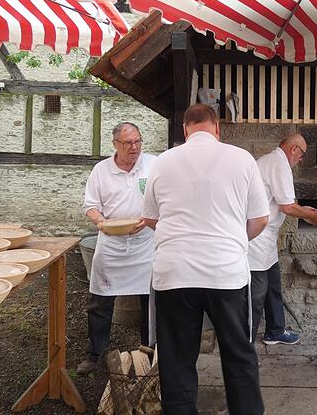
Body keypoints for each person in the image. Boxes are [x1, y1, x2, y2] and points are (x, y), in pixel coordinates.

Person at [142, 104, 269, 415]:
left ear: (185, 130)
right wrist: (235, 240)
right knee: (238, 353)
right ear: (217, 128)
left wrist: (180, 236)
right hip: (226, 272)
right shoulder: (242, 159)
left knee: (177, 357)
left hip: (175, 273)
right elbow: (261, 218)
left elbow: (149, 218)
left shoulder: (162, 162)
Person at [77, 122, 156, 375]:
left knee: (150, 301)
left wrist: (152, 217)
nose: (134, 147)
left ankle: (151, 348)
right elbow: (90, 205)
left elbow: (167, 196)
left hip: (145, 244)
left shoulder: (153, 165)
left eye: (138, 141)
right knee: (100, 301)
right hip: (111, 244)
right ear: (115, 145)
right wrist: (100, 221)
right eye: (128, 143)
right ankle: (95, 352)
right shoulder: (102, 170)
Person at [248, 134, 317, 345]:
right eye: (301, 155)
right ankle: (244, 341)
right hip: (256, 237)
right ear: (294, 149)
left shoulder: (272, 161)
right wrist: (313, 216)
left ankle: (275, 330)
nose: (300, 160)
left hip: (266, 238)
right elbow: (287, 207)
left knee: (273, 286)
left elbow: (287, 201)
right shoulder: (278, 163)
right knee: (257, 292)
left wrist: (306, 211)